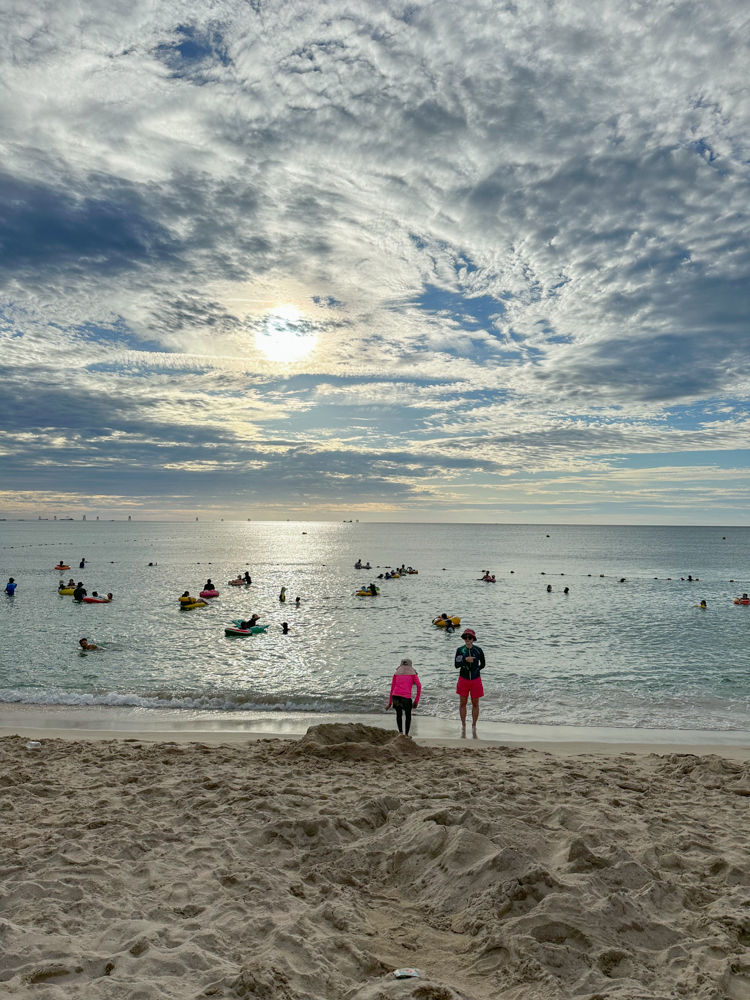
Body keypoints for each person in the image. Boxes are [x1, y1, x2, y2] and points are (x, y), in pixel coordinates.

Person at [455, 629, 485, 734]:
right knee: (463, 702)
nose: (467, 639)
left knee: (475, 702)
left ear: (473, 639)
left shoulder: (478, 650)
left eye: (469, 637)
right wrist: (465, 660)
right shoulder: (460, 650)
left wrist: (475, 670)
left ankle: (474, 725)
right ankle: (463, 724)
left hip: (476, 679)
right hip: (463, 678)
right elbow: (456, 665)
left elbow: (483, 664)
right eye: (465, 637)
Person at [388, 657, 421, 736]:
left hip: (395, 696)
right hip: (406, 698)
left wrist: (389, 702)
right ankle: (406, 734)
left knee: (398, 715)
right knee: (408, 717)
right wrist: (416, 700)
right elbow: (419, 686)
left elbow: (392, 687)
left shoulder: (396, 674)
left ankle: (400, 732)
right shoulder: (413, 675)